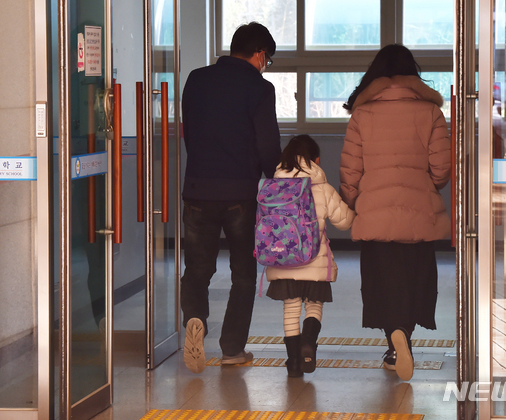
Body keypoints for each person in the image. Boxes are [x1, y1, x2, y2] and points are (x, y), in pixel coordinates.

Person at [339, 44, 451, 381]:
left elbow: (349, 173)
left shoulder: (362, 114)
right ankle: (405, 334)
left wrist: (358, 199)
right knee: (414, 279)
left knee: (383, 281)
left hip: (375, 213)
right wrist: (425, 185)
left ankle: (393, 341)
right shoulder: (430, 112)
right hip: (419, 211)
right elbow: (441, 168)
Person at [180, 22, 282, 373]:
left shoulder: (197, 79)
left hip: (197, 190)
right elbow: (268, 146)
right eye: (266, 59)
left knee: (197, 268)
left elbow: (188, 132)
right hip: (239, 193)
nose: (264, 65)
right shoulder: (259, 88)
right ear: (258, 54)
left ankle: (195, 319)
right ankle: (232, 348)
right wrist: (275, 180)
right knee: (242, 273)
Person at [265, 135, 355, 377]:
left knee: (291, 310)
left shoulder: (272, 189)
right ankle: (308, 343)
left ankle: (293, 362)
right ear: (316, 160)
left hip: (282, 261)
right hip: (315, 261)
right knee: (313, 305)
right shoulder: (322, 188)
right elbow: (345, 222)